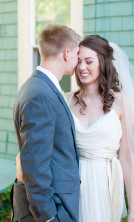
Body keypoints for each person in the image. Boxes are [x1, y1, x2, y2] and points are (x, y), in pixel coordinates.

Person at [16, 35, 134, 221]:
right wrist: (22, 156)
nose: (82, 67)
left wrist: (133, 212)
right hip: (72, 185)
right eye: (78, 61)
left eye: (89, 61)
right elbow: (45, 141)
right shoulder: (65, 100)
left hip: (107, 182)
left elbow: (126, 157)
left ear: (103, 62)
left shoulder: (121, 102)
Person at [12, 23, 81, 222]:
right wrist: (49, 216)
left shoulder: (38, 86)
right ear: (67, 53)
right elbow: (35, 164)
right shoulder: (41, 95)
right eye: (77, 54)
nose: (78, 61)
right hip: (49, 210)